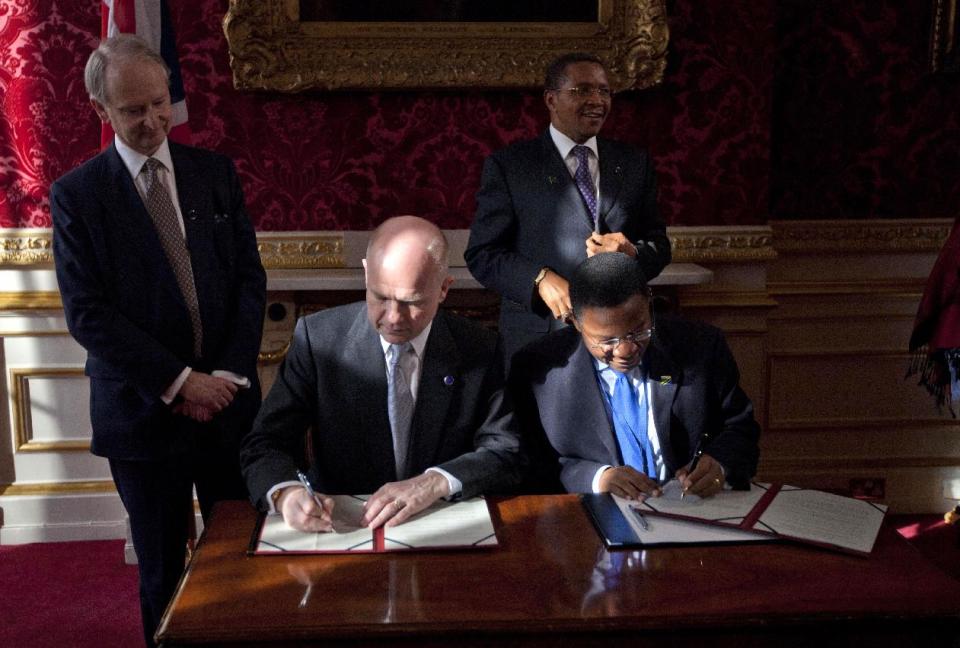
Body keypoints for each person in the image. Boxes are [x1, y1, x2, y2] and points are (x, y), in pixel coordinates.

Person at [50, 35, 266, 647]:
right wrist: (180, 382)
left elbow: (249, 280)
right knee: (163, 568)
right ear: (102, 112)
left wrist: (222, 377)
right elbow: (88, 314)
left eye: (159, 102)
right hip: (143, 416)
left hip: (227, 407)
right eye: (132, 110)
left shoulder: (214, 173)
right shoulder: (78, 195)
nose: (151, 120)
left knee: (240, 554)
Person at [240, 215, 523, 532]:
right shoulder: (319, 341)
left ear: (444, 288)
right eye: (380, 297)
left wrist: (435, 482)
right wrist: (285, 493)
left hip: (441, 525)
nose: (393, 318)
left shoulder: (479, 347)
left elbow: (506, 452)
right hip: (343, 526)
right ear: (365, 274)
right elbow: (265, 443)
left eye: (410, 302)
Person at [465, 51, 671, 363]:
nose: (597, 101)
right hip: (544, 340)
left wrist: (632, 255)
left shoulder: (634, 164)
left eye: (604, 91)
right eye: (582, 90)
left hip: (622, 342)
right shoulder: (511, 166)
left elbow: (659, 245)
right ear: (551, 99)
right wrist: (538, 278)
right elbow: (482, 254)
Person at [509, 252, 759, 498]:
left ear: (648, 304)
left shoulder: (701, 346)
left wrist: (720, 464)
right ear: (575, 321)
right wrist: (597, 478)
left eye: (638, 331)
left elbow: (741, 429)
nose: (626, 350)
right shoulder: (538, 370)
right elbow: (528, 462)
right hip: (587, 514)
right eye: (607, 340)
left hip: (688, 508)